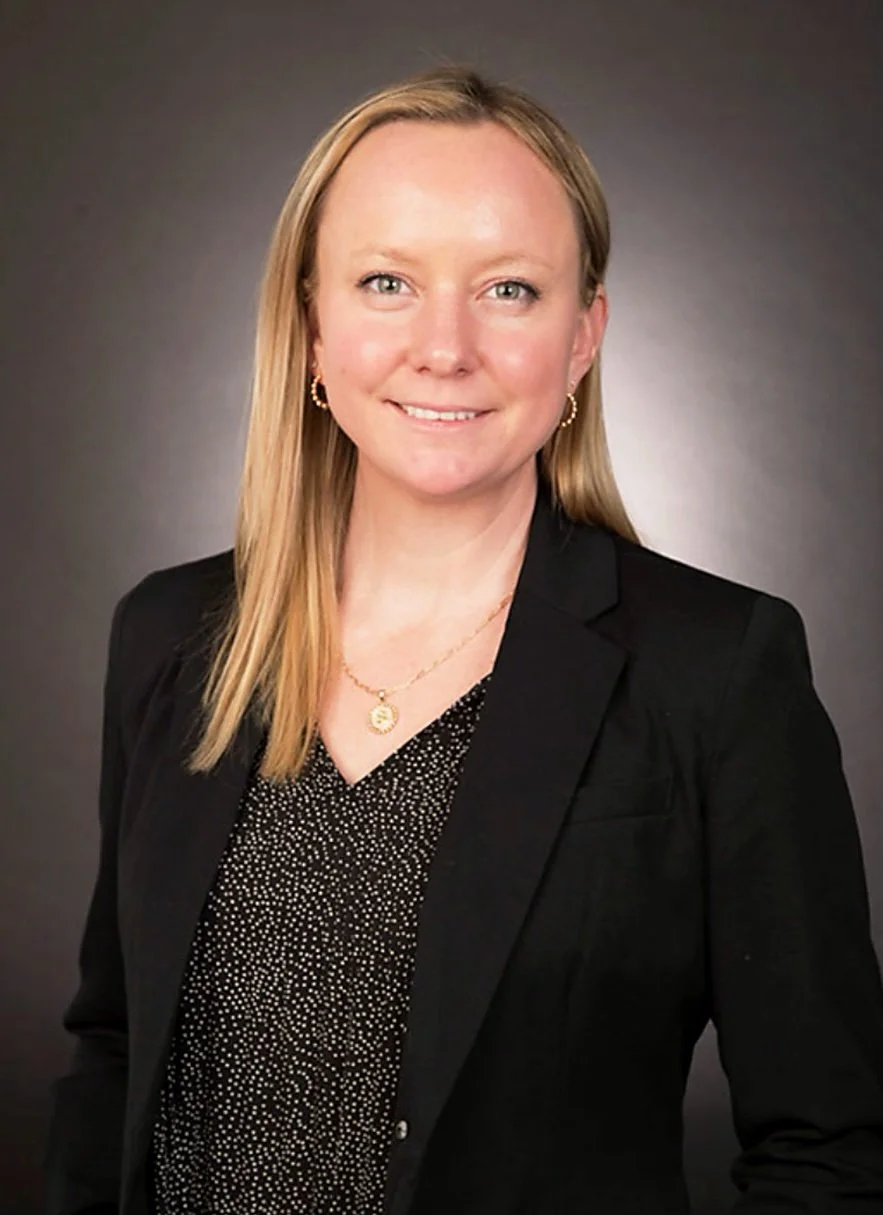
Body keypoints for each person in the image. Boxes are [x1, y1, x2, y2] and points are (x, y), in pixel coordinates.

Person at [45, 63, 883, 1215]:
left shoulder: (717, 670)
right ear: (311, 327)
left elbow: (828, 1152)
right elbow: (112, 1048)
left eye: (509, 289)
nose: (444, 347)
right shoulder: (169, 637)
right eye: (387, 281)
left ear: (583, 337)